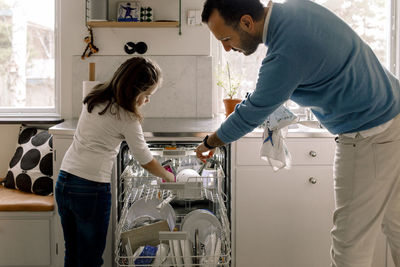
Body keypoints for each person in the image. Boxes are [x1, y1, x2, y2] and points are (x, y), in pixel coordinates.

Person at [196, 0, 400, 266]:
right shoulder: (297, 8)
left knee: (350, 245)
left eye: (226, 38)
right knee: (397, 225)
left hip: (370, 135)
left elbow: (252, 111)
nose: (226, 47)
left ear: (247, 22)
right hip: (393, 117)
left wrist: (209, 142)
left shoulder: (286, 52)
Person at [55, 56, 175, 267]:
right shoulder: (127, 119)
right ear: (135, 90)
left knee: (72, 253)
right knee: (90, 259)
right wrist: (167, 176)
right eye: (147, 95)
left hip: (65, 181)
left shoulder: (94, 97)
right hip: (90, 189)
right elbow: (144, 158)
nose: (147, 100)